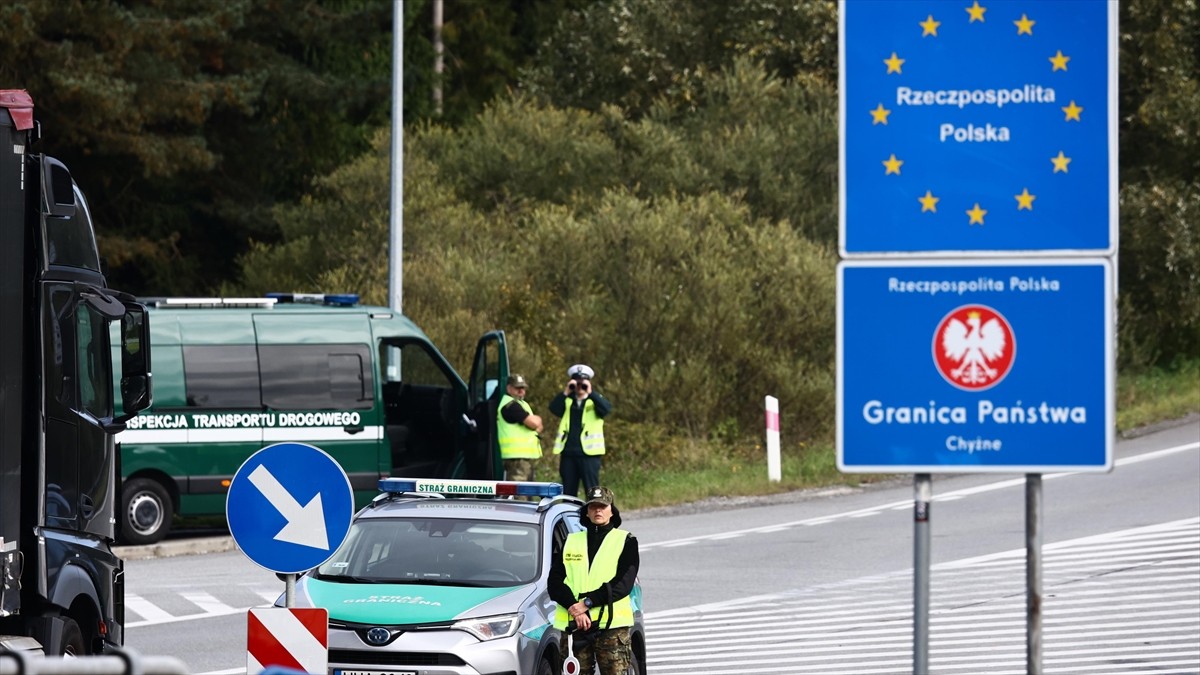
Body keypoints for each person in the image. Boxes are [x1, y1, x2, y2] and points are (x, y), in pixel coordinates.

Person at [548, 486, 639, 675]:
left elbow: (622, 584)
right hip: (575, 626)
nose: (598, 510)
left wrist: (587, 603)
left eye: (603, 506)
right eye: (593, 507)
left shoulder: (626, 541)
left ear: (612, 511)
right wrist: (574, 607)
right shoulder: (571, 541)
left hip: (611, 628)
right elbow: (554, 582)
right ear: (587, 512)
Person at [549, 364, 612, 497]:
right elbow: (553, 408)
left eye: (582, 382)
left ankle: (594, 511)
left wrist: (591, 392)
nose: (579, 386)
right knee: (568, 492)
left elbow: (607, 409)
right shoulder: (567, 401)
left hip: (589, 455)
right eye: (576, 382)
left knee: (593, 491)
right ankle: (569, 511)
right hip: (568, 453)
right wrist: (566, 392)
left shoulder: (594, 400)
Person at [497, 374, 543, 482]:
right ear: (509, 388)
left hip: (522, 457)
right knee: (518, 490)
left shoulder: (520, 404)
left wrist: (536, 422)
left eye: (523, 387)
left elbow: (538, 425)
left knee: (525, 489)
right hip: (516, 458)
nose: (521, 390)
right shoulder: (511, 406)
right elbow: (534, 423)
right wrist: (537, 420)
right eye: (517, 387)